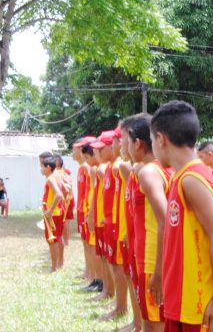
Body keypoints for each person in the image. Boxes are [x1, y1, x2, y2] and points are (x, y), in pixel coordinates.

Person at [151, 100, 213, 332]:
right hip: (184, 301)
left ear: (161, 139)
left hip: (200, 306)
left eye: (152, 140)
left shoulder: (192, 180)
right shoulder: (182, 177)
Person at [123, 113, 172, 331]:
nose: (123, 147)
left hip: (153, 259)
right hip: (155, 257)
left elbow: (164, 220)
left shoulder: (150, 172)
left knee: (155, 323)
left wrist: (159, 270)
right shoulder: (164, 169)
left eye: (125, 142)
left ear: (138, 143)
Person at [105, 127, 134, 323]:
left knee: (128, 272)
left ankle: (124, 309)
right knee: (124, 270)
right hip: (119, 224)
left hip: (125, 227)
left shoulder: (123, 167)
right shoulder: (117, 167)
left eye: (121, 140)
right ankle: (124, 309)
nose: (120, 145)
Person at [91, 130, 117, 303]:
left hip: (114, 222)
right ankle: (108, 291)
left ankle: (117, 300)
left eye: (101, 149)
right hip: (105, 220)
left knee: (116, 264)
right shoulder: (106, 168)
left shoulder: (116, 168)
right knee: (106, 258)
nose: (97, 153)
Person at [73, 136, 99, 290]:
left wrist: (90, 212)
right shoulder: (83, 168)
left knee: (92, 245)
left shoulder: (90, 168)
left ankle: (96, 277)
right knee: (87, 244)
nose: (75, 152)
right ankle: (90, 274)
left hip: (89, 210)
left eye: (76, 148)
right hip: (84, 209)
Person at [40, 155, 66, 271]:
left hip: (53, 214)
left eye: (42, 166)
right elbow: (64, 191)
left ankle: (54, 266)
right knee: (56, 239)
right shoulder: (57, 177)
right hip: (57, 213)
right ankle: (57, 264)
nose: (40, 169)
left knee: (52, 240)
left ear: (48, 167)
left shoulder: (51, 179)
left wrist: (50, 210)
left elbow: (59, 194)